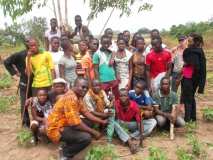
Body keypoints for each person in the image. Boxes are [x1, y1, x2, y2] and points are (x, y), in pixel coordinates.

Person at [46, 78, 107, 159]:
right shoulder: (71, 98)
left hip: (65, 124)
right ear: (74, 86)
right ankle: (65, 152)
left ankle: (71, 142)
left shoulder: (78, 96)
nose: (85, 89)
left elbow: (86, 113)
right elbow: (76, 124)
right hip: (55, 128)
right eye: (82, 87)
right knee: (86, 138)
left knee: (89, 122)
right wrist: (94, 132)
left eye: (86, 88)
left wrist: (101, 121)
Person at [4, 37, 32, 127]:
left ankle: (37, 123)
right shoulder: (20, 55)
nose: (30, 43)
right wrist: (14, 73)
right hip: (24, 83)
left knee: (37, 104)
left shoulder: (38, 54)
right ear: (25, 43)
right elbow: (6, 62)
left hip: (36, 84)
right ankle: (25, 122)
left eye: (31, 41)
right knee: (24, 104)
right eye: (27, 41)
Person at [179, 33, 206, 122]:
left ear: (195, 41)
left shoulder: (188, 51)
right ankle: (193, 117)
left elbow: (192, 63)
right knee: (191, 97)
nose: (188, 42)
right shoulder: (200, 51)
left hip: (188, 78)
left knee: (187, 98)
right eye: (188, 40)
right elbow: (203, 69)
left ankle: (187, 119)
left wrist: (186, 64)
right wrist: (201, 86)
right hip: (196, 79)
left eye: (190, 41)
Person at [114, 88, 143, 153]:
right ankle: (129, 141)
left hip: (130, 124)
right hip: (120, 124)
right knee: (113, 122)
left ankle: (130, 136)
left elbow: (139, 122)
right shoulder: (115, 103)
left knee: (152, 122)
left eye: (125, 95)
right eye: (121, 96)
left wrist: (141, 137)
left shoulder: (134, 105)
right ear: (118, 97)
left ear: (128, 97)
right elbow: (114, 118)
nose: (123, 98)